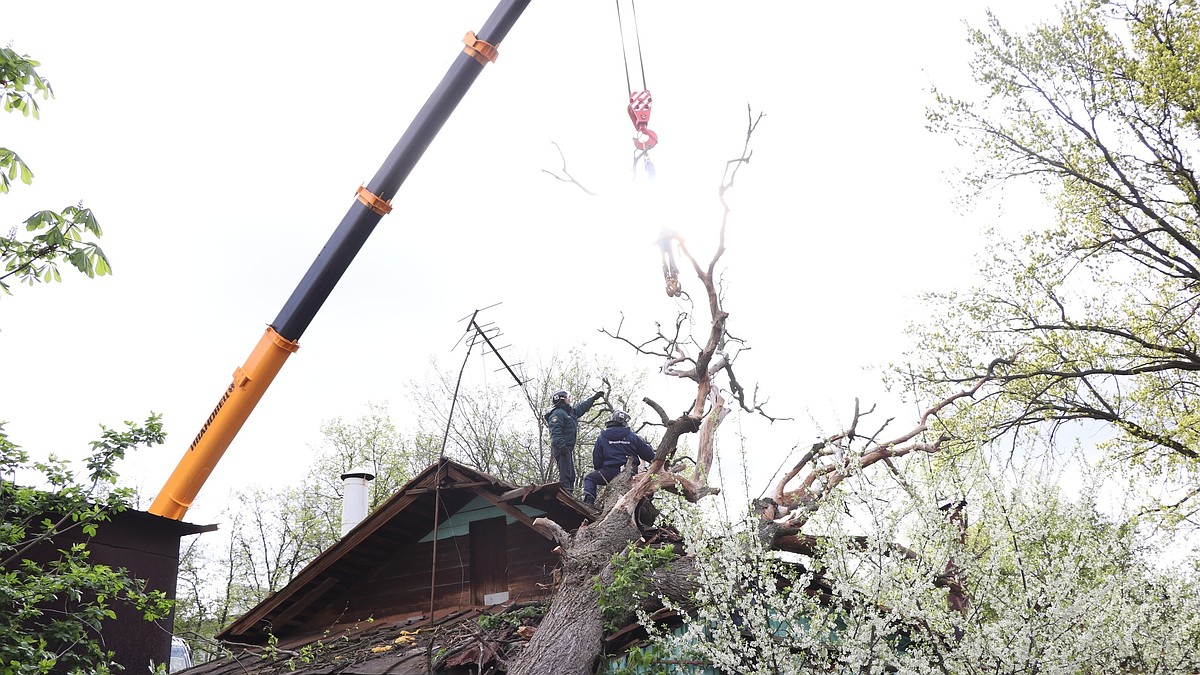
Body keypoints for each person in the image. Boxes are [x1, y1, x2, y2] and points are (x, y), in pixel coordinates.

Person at [582, 410, 655, 509]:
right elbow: (649, 455)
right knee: (646, 487)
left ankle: (588, 502)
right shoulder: (632, 436)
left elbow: (597, 460)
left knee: (590, 478)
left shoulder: (602, 437)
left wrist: (601, 470)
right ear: (624, 422)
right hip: (630, 474)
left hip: (609, 472)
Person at [545, 388, 604, 494]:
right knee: (566, 475)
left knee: (571, 475)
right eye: (568, 398)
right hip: (561, 448)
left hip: (567, 448)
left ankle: (569, 495)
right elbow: (555, 431)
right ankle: (566, 496)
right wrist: (562, 446)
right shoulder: (558, 413)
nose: (569, 400)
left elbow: (581, 408)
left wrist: (593, 399)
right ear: (562, 399)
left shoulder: (568, 413)